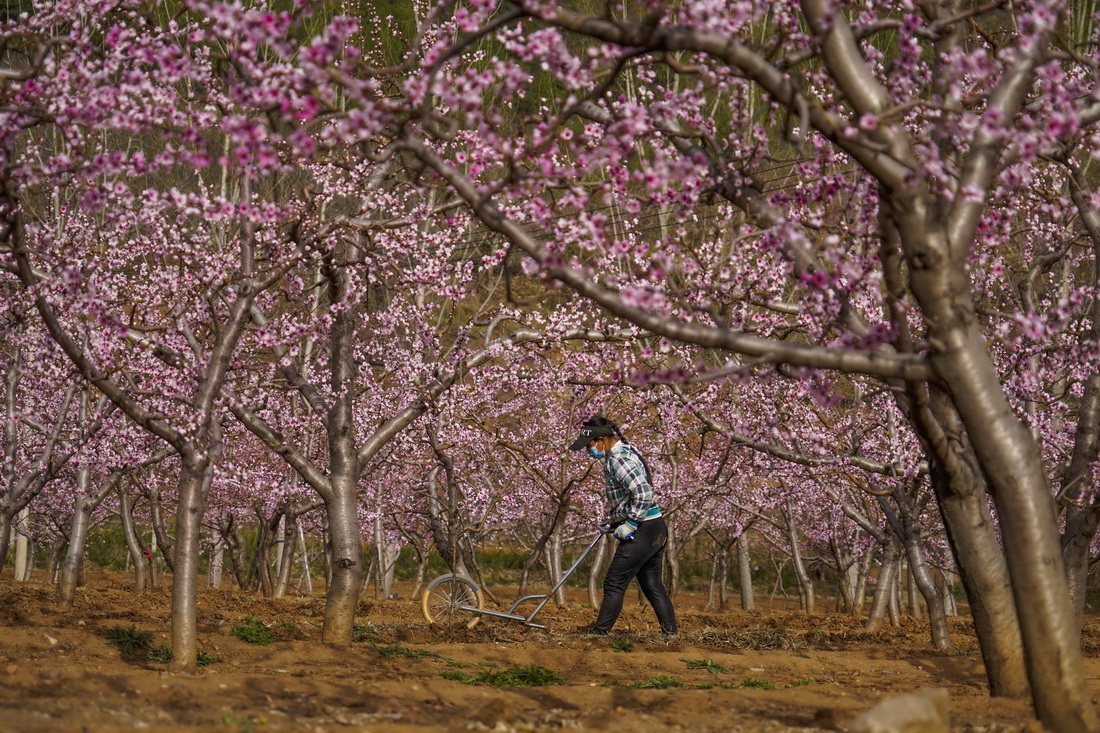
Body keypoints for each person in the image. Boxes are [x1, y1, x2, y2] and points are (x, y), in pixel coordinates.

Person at [569, 415, 677, 636]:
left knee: (614, 582)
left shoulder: (618, 459)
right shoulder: (623, 452)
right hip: (655, 526)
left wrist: (630, 523)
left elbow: (644, 492)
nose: (589, 452)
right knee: (652, 584)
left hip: (644, 529)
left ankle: (599, 634)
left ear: (602, 440)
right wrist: (616, 519)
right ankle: (671, 635)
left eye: (590, 446)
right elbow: (630, 494)